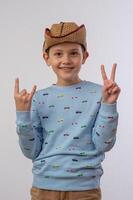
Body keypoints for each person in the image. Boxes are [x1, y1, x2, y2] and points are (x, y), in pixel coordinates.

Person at [14, 22, 121, 200]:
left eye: (73, 53)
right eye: (58, 54)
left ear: (84, 56)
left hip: (85, 189)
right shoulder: (38, 98)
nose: (66, 60)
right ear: (46, 58)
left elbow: (104, 144)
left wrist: (109, 105)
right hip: (43, 188)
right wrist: (22, 114)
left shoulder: (99, 93)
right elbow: (30, 151)